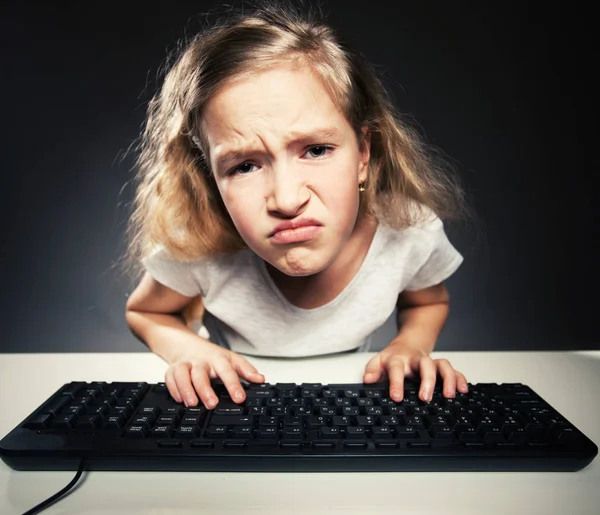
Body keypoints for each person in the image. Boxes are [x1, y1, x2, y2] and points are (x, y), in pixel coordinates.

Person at [124, 0, 471, 410]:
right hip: (236, 410)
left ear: (363, 153)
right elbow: (146, 313)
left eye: (317, 150)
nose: (287, 200)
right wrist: (189, 351)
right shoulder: (201, 241)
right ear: (210, 178)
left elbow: (428, 300)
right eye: (245, 166)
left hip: (353, 406)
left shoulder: (409, 230)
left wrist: (410, 346)